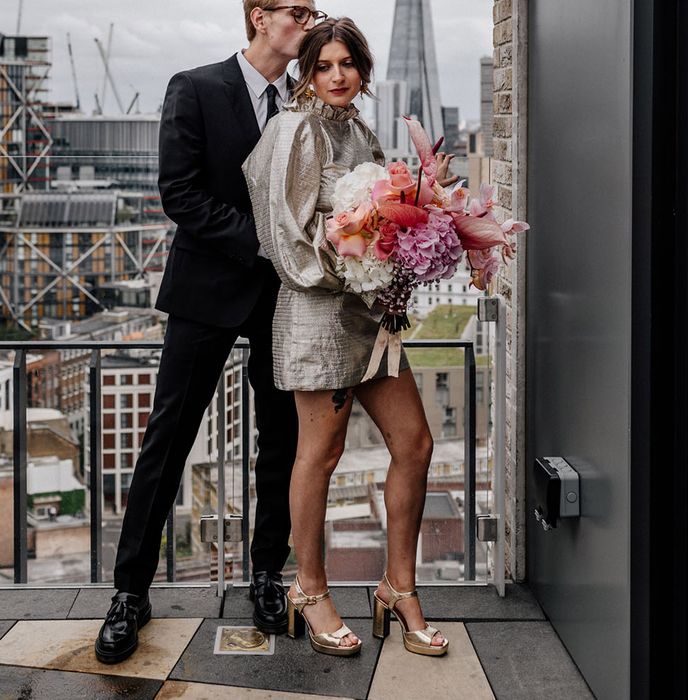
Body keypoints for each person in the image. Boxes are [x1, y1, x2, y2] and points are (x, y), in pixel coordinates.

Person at [95, 1, 328, 664]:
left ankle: (265, 578)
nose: (309, 23)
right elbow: (180, 193)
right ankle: (129, 596)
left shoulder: (307, 102)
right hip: (206, 292)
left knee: (283, 442)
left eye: (315, 11)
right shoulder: (195, 87)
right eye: (297, 11)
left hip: (286, 300)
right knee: (166, 441)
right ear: (259, 16)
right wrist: (265, 243)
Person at [243, 17, 454, 657]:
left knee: (414, 442)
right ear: (307, 71)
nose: (338, 76)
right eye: (325, 65)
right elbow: (283, 233)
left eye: (349, 64)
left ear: (363, 71)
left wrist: (395, 264)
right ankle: (310, 590)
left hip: (369, 316)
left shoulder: (359, 130)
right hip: (314, 312)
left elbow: (377, 224)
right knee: (322, 453)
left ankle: (399, 587)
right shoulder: (293, 128)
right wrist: (358, 269)